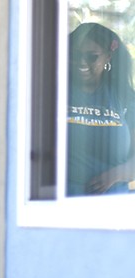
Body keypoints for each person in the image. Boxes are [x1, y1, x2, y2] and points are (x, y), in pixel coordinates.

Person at [67, 22, 135, 196]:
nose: (81, 62)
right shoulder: (54, 92)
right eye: (76, 55)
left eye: (92, 56)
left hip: (111, 206)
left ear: (108, 57)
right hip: (61, 202)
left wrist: (114, 175)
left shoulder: (124, 97)